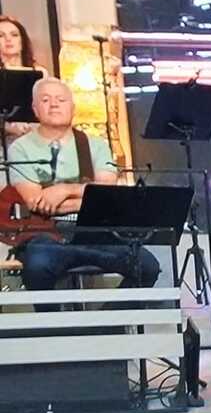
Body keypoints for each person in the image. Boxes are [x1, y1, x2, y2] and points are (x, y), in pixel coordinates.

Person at [8, 78, 160, 311]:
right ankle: (55, 328)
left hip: (94, 231)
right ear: (35, 109)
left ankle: (106, 325)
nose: (54, 105)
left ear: (73, 107)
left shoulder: (96, 145)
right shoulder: (20, 148)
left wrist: (63, 190)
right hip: (46, 235)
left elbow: (106, 193)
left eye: (61, 99)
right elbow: (36, 202)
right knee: (37, 267)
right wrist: (87, 197)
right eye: (46, 100)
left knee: (146, 266)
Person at [0, 15, 47, 138]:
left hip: (35, 134)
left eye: (14, 35)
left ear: (22, 41)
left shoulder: (40, 72)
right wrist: (8, 127)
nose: (8, 39)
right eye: (1, 36)